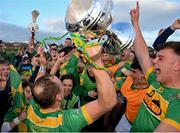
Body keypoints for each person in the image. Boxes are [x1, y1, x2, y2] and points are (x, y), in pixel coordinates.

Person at [26, 46, 117, 132]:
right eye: (61, 84)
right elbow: (109, 102)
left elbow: (40, 83)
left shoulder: (32, 108)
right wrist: (96, 60)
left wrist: (48, 63)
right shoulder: (65, 122)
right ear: (58, 97)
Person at [130, 2, 180, 132]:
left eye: (161, 58)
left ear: (178, 65)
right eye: (156, 56)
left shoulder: (178, 102)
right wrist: (135, 23)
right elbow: (142, 56)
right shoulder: (155, 80)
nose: (154, 61)